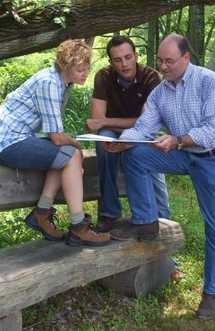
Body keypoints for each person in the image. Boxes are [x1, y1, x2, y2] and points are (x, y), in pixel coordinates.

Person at [101, 34, 215, 320]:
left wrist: (178, 140)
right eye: (160, 61)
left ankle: (210, 293)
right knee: (135, 154)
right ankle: (146, 221)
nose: (163, 67)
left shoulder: (209, 82)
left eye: (169, 61)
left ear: (186, 58)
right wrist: (125, 141)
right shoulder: (160, 92)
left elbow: (214, 129)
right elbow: (144, 128)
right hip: (184, 154)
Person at [0, 39, 110, 247]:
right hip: (4, 141)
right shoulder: (49, 83)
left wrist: (70, 147)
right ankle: (77, 228)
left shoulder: (58, 81)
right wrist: (76, 146)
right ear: (66, 66)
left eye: (87, 68)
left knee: (64, 154)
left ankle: (41, 213)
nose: (85, 73)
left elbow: (56, 140)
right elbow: (57, 137)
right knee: (71, 155)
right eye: (80, 69)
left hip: (10, 138)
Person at [85, 35, 170, 233]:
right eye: (118, 59)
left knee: (144, 154)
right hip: (112, 133)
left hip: (143, 133)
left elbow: (146, 122)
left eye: (128, 57)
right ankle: (110, 212)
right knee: (103, 142)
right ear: (110, 62)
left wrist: (107, 121)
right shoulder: (104, 76)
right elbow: (98, 121)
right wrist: (106, 124)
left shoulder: (151, 77)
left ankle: (161, 220)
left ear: (136, 56)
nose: (124, 64)